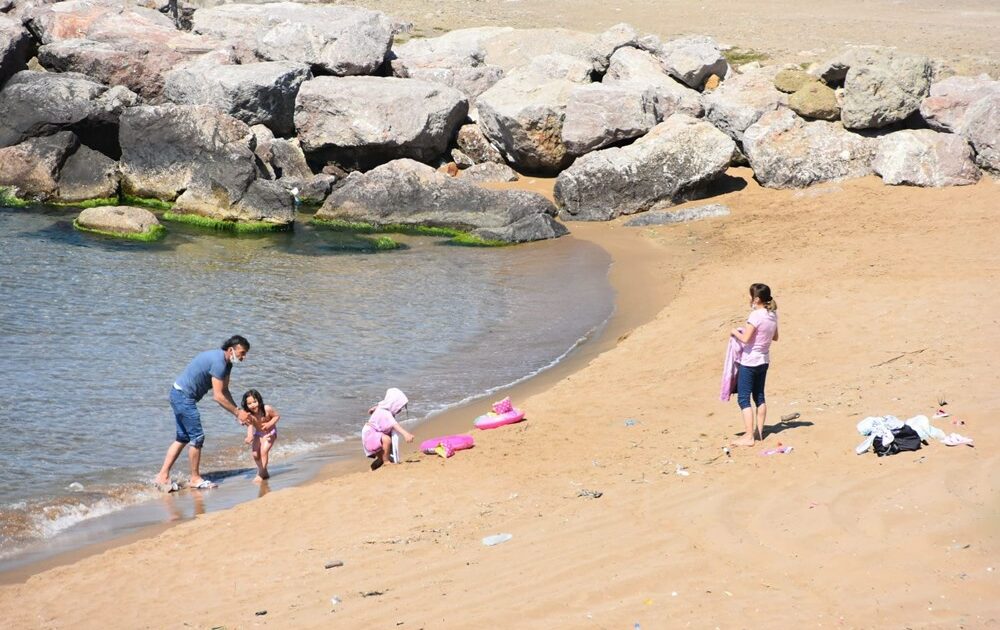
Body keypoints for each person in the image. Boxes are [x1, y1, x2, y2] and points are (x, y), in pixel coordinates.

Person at [154, 335, 252, 490]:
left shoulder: (227, 364)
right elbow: (218, 396)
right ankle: (195, 478)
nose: (244, 357)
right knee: (197, 437)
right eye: (242, 353)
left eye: (245, 353)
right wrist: (238, 413)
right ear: (231, 350)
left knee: (183, 437)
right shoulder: (219, 362)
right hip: (183, 397)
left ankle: (162, 476)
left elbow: (224, 390)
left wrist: (237, 411)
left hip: (177, 394)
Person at [729, 284, 779, 446]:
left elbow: (745, 339)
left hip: (750, 361)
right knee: (759, 396)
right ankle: (759, 432)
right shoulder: (772, 315)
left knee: (744, 399)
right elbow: (775, 337)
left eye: (750, 296)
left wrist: (735, 332)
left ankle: (749, 436)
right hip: (764, 360)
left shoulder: (755, 315)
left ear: (756, 299)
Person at [362, 388, 415, 471]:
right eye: (399, 407)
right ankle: (386, 462)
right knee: (387, 440)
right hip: (370, 433)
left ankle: (373, 468)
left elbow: (378, 408)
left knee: (384, 454)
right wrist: (406, 434)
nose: (400, 409)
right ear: (393, 403)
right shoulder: (385, 413)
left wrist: (374, 409)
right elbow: (394, 425)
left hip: (375, 433)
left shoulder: (383, 409)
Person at [241, 389, 280, 482]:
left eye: (255, 402)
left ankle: (261, 473)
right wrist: (249, 436)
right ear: (246, 405)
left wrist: (269, 424)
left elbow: (277, 416)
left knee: (263, 451)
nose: (253, 405)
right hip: (258, 434)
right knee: (255, 454)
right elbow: (250, 426)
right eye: (249, 403)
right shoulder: (249, 415)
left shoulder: (267, 409)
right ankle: (264, 471)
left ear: (259, 400)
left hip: (270, 433)